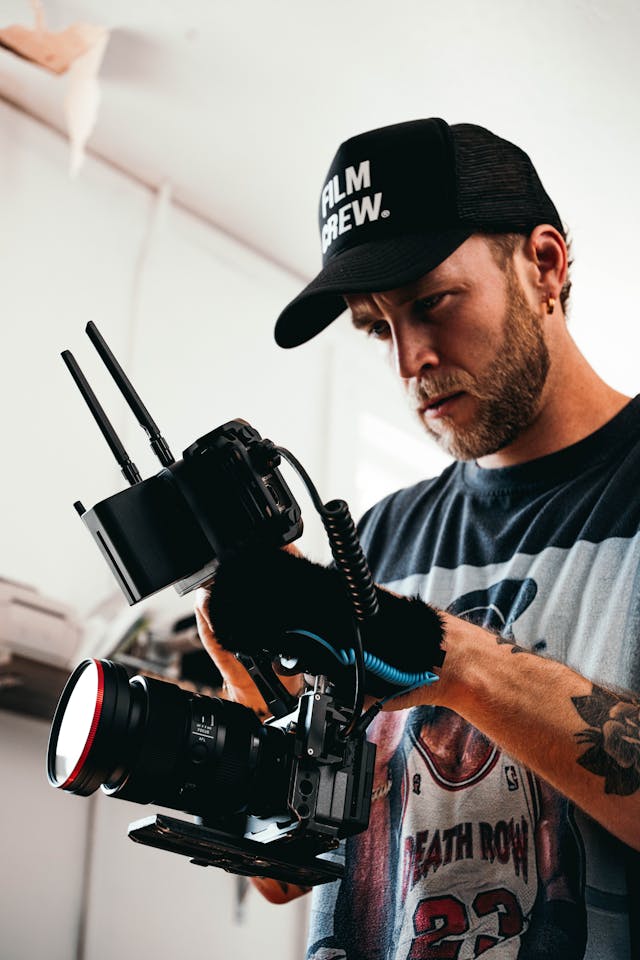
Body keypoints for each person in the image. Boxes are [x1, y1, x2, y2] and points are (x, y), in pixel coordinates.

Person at [195, 119, 640, 959]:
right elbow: (284, 876)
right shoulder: (380, 537)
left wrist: (452, 662)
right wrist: (256, 694)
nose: (409, 360)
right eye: (376, 326)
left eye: (431, 302)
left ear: (544, 265)